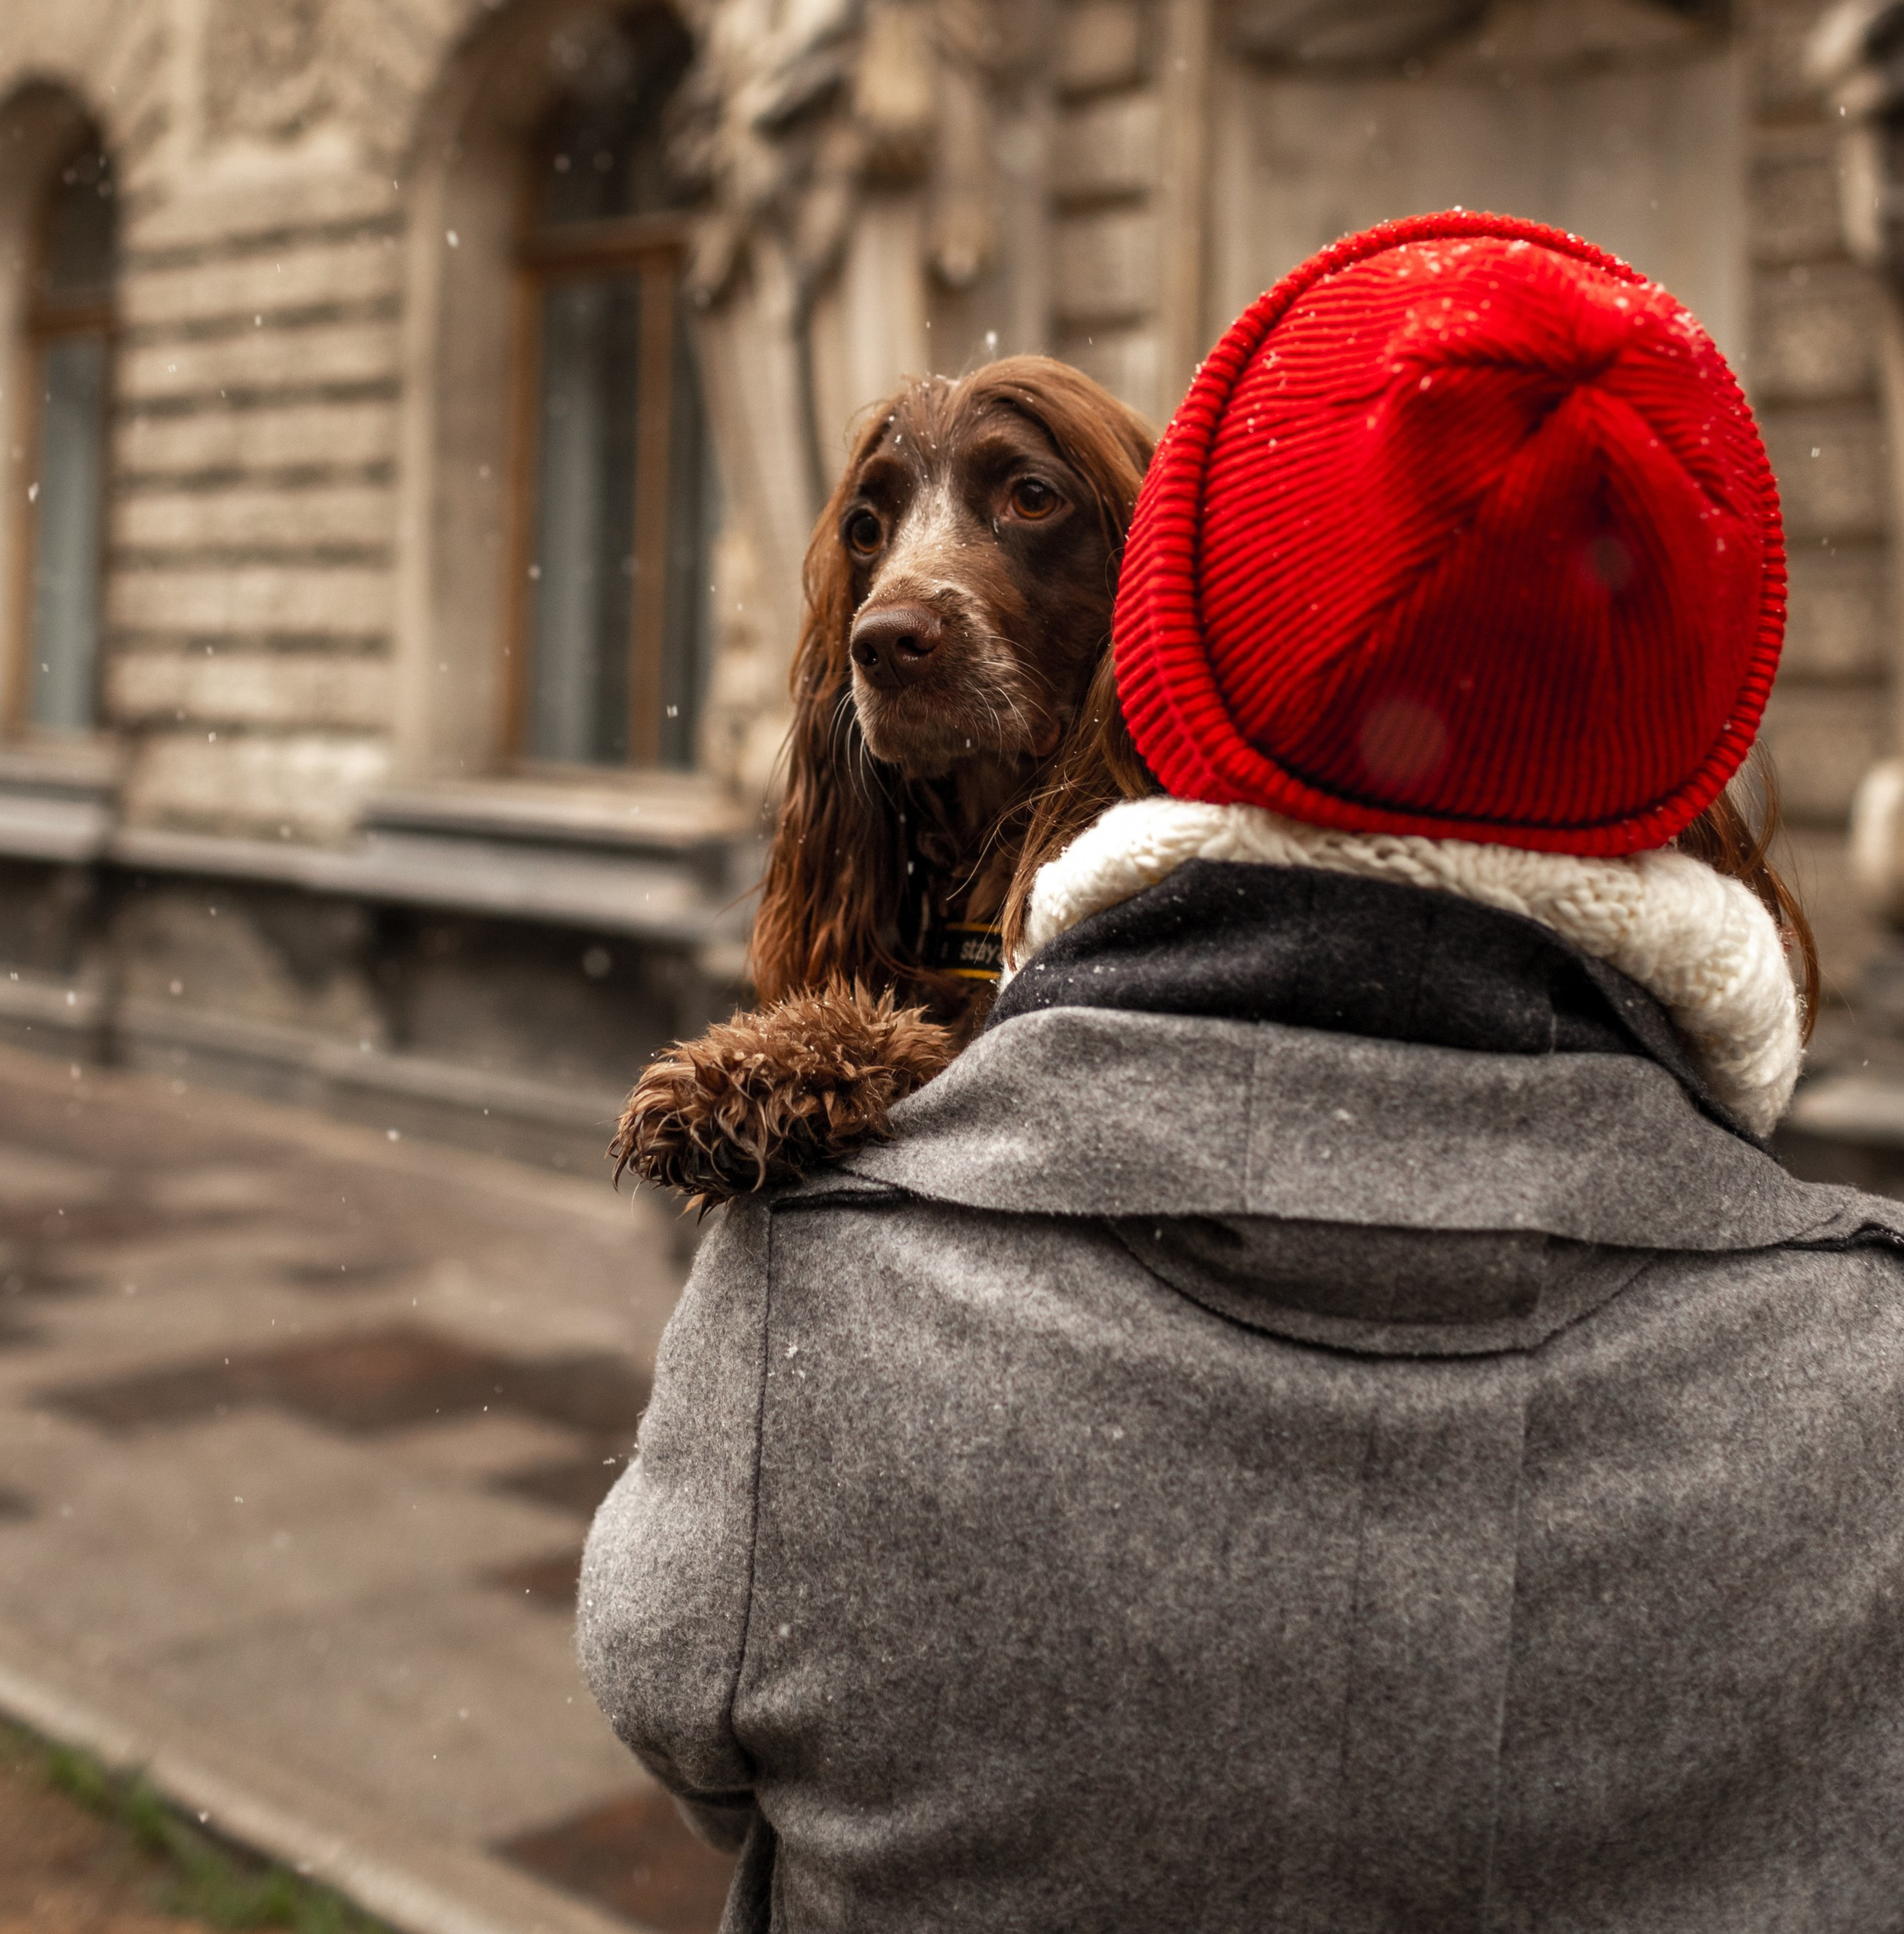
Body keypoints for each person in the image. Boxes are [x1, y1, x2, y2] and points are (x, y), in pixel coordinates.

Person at [578, 210, 1904, 1934]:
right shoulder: (1860, 1380)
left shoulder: (806, 1307)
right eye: (878, 535)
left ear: (1174, 651)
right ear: (1692, 738)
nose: (901, 604)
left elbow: (694, 1736)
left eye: (1024, 506)